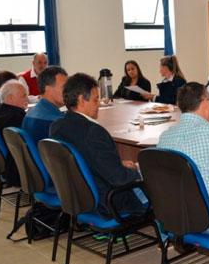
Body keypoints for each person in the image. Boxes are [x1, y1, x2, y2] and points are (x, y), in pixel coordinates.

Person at [50, 73, 145, 216]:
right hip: (108, 202)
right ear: (82, 100)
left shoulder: (57, 126)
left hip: (77, 197)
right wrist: (139, 171)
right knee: (159, 183)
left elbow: (87, 159)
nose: (99, 104)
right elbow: (119, 179)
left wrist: (117, 164)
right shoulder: (94, 132)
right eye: (95, 100)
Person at [0, 80, 29, 187]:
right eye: (24, 96)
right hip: (17, 169)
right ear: (10, 98)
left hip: (4, 164)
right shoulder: (16, 117)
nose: (27, 99)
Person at [22, 66, 68, 144]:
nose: (68, 91)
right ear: (48, 89)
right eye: (64, 87)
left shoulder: (30, 113)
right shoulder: (55, 122)